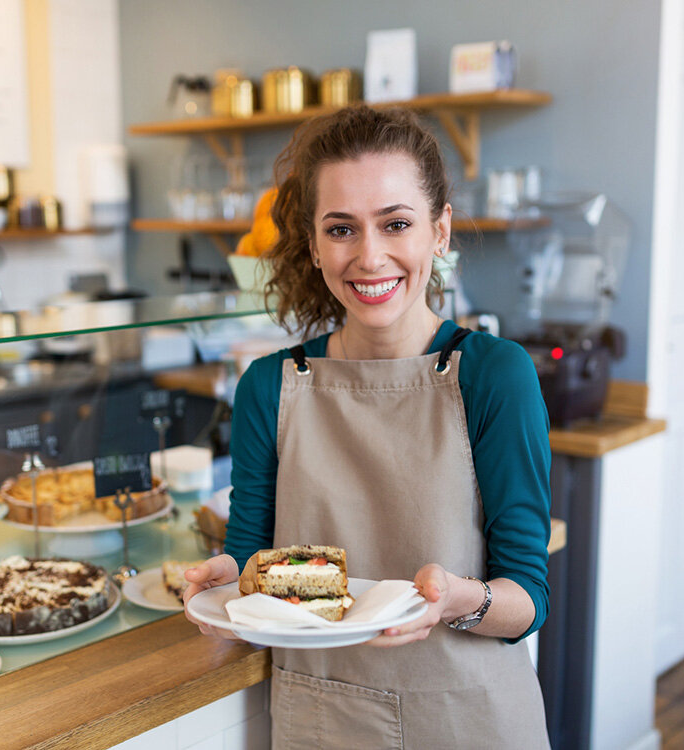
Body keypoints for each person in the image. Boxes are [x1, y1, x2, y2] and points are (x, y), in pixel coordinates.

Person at [183, 106, 552, 749]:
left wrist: (458, 599)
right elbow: (252, 563)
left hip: (468, 716)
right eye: (341, 229)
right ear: (313, 245)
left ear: (439, 232)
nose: (369, 255)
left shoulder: (494, 375)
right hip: (321, 717)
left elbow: (527, 598)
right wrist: (227, 587)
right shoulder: (268, 386)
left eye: (396, 224)